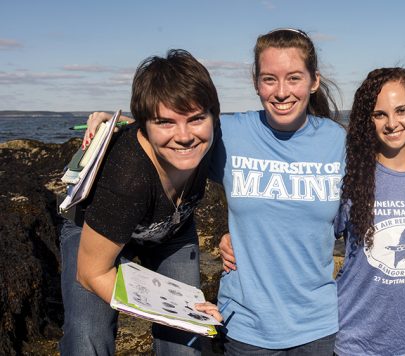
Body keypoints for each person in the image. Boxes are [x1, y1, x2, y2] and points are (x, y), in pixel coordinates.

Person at [59, 49, 223, 356]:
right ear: (146, 126)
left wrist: (187, 321)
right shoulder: (128, 176)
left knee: (186, 346)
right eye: (165, 123)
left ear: (213, 115)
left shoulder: (209, 138)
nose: (185, 136)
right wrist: (176, 310)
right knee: (87, 339)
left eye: (196, 118)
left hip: (171, 232)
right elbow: (91, 272)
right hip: (98, 234)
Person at [213, 28, 346, 354]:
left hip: (318, 326)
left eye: (294, 78)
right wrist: (115, 127)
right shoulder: (228, 133)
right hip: (245, 326)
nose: (282, 92)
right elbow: (170, 138)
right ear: (256, 82)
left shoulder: (337, 141)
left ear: (314, 81)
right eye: (270, 79)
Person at [334, 68, 405, 356]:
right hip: (354, 342)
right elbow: (308, 237)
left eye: (401, 110)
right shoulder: (350, 176)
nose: (392, 123)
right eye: (379, 114)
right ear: (366, 120)